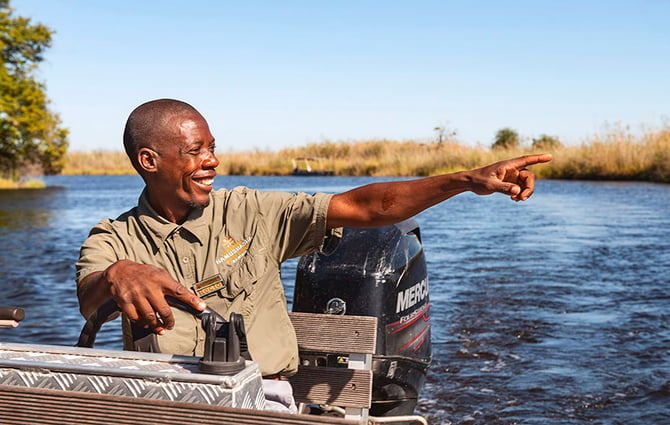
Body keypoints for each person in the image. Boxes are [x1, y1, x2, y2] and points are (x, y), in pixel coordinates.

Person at [76, 98, 552, 396]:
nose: (212, 161)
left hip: (267, 398)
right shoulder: (114, 238)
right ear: (149, 160)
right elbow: (90, 298)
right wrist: (117, 275)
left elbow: (366, 207)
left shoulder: (252, 212)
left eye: (212, 147)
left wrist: (466, 180)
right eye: (195, 151)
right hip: (167, 403)